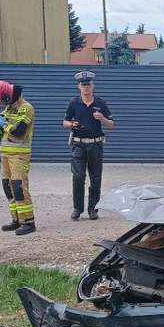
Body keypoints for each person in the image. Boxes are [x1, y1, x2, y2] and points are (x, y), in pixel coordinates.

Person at [63, 71, 115, 220]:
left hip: (95, 145)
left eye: (88, 85)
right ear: (79, 86)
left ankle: (93, 209)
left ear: (93, 86)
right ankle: (77, 208)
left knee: (96, 178)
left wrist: (102, 118)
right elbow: (65, 122)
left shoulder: (100, 103)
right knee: (78, 176)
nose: (86, 87)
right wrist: (72, 124)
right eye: (83, 85)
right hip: (78, 144)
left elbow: (111, 124)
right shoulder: (74, 103)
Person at [0, 80, 36, 235]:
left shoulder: (26, 108)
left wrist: (4, 125)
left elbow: (18, 131)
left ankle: (28, 222)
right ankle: (16, 220)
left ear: (7, 95)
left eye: (2, 100)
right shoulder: (9, 107)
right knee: (8, 188)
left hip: (19, 156)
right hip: (5, 156)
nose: (1, 103)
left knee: (19, 188)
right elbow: (3, 124)